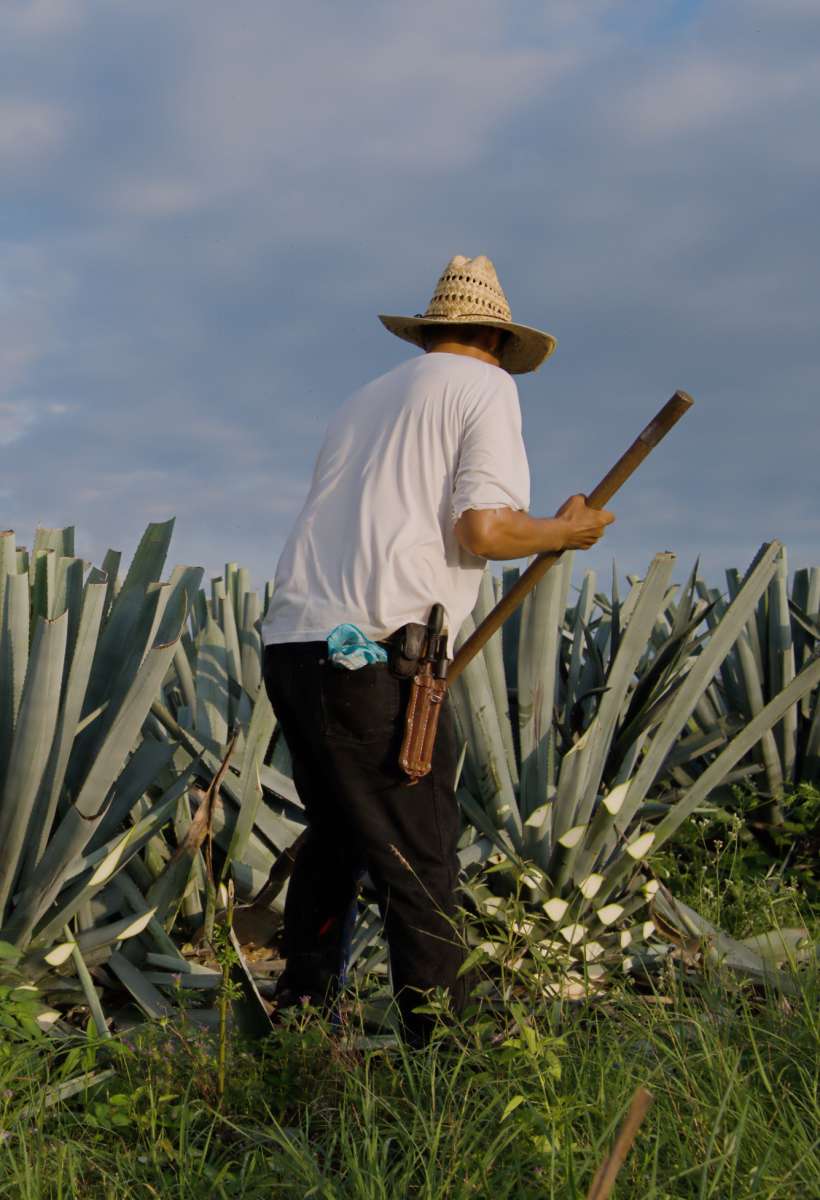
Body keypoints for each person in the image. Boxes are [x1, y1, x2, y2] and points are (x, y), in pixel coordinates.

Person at [261, 254, 614, 1043]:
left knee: (340, 834)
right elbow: (484, 530)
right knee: (419, 859)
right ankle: (446, 1062)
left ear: (432, 332)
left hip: (293, 643)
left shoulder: (365, 401)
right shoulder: (486, 387)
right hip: (377, 653)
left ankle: (303, 1022)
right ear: (495, 336)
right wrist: (569, 531)